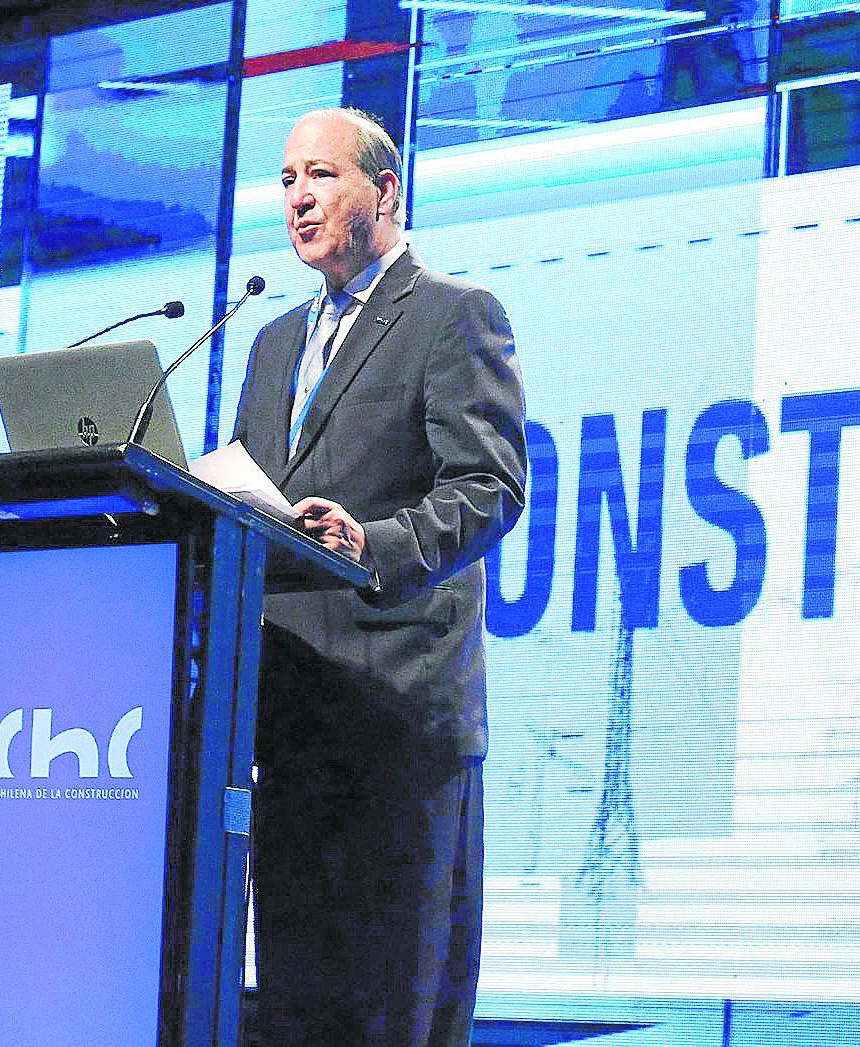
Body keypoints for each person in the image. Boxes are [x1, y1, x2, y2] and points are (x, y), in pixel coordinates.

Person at [230, 106, 527, 1046]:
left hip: (398, 719)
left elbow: (490, 484)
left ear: (384, 192)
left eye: (319, 175)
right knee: (293, 1012)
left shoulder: (452, 314)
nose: (297, 198)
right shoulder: (271, 340)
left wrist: (379, 545)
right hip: (292, 718)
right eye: (285, 181)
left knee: (389, 1014)